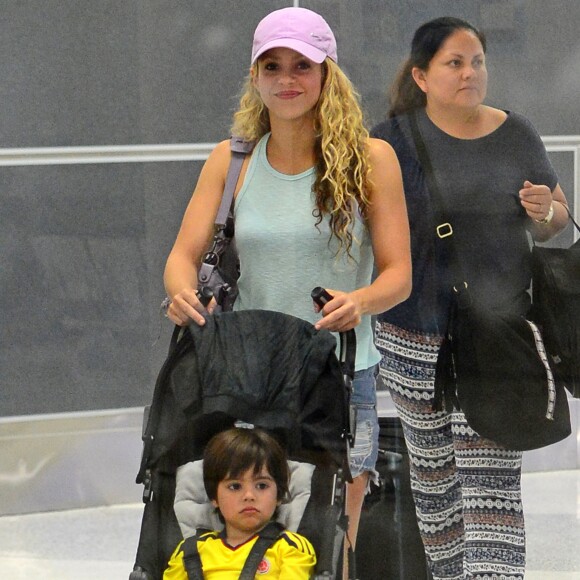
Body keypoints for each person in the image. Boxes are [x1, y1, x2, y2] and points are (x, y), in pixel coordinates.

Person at [163, 6, 412, 573]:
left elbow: (399, 274)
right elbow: (181, 256)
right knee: (244, 526)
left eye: (302, 65)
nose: (287, 79)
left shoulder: (370, 161)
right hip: (245, 373)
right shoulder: (231, 161)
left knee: (330, 531)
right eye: (271, 66)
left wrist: (360, 301)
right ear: (255, 77)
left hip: (338, 370)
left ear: (327, 74)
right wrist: (182, 293)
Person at [371, 16, 570, 580]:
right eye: (454, 63)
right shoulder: (390, 142)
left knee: (491, 489)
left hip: (494, 330)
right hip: (412, 332)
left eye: (477, 61)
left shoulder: (517, 133)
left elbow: (558, 220)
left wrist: (544, 212)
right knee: (435, 489)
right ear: (422, 75)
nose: (469, 73)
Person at [163, 427, 316, 579]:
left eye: (261, 485)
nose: (249, 496)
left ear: (279, 495)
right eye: (235, 486)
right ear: (214, 497)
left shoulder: (290, 547)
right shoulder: (190, 551)